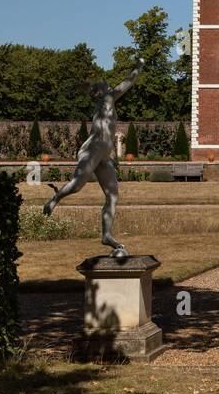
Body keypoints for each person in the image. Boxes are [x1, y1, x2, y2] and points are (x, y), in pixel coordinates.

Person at [43, 58, 144, 257]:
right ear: (99, 93)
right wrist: (139, 66)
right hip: (92, 149)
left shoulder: (106, 104)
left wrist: (112, 155)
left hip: (103, 154)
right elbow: (127, 83)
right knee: (78, 185)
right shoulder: (106, 100)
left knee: (113, 196)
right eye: (104, 85)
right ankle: (55, 198)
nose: (108, 85)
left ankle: (107, 235)